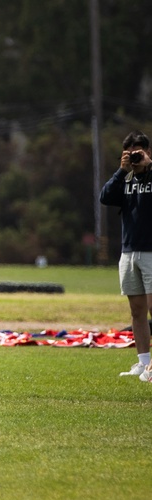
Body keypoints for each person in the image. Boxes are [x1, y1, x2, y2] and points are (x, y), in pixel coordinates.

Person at [100, 131, 152, 380]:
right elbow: (106, 197)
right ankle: (144, 362)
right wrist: (121, 171)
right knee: (137, 311)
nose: (136, 155)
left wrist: (149, 166)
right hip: (129, 251)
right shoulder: (125, 178)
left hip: (151, 251)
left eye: (140, 150)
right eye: (131, 151)